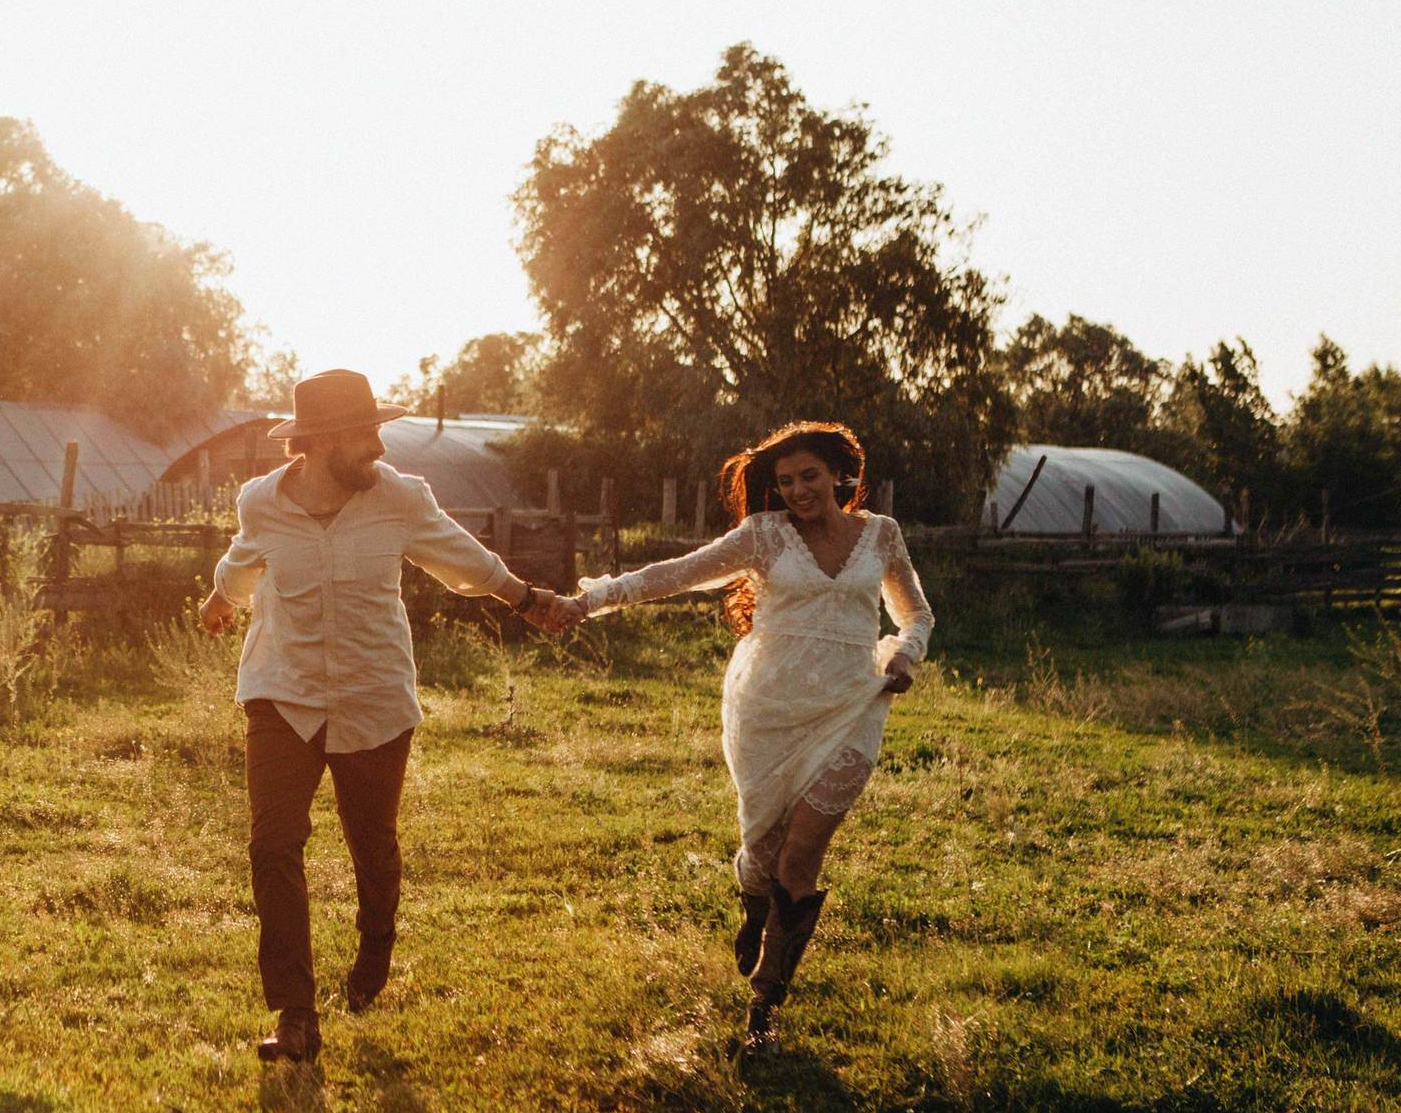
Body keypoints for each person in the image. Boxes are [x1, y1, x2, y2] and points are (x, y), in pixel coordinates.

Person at [534, 421, 933, 1053]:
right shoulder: (765, 536)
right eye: (784, 481)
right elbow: (676, 574)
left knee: (802, 855)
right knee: (767, 852)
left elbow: (915, 612)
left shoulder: (881, 534)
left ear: (838, 474)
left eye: (809, 476)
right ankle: (754, 897)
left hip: (855, 705)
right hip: (769, 708)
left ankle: (764, 1007)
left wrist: (905, 655)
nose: (798, 490)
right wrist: (586, 603)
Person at [200, 368, 560, 1063]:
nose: (378, 447)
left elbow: (465, 561)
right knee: (273, 845)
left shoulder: (399, 497)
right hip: (283, 692)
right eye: (364, 434)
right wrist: (220, 600)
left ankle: (374, 948)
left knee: (373, 847)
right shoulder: (261, 502)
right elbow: (243, 561)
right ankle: (296, 1013)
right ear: (319, 441)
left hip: (373, 695)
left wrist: (527, 598)